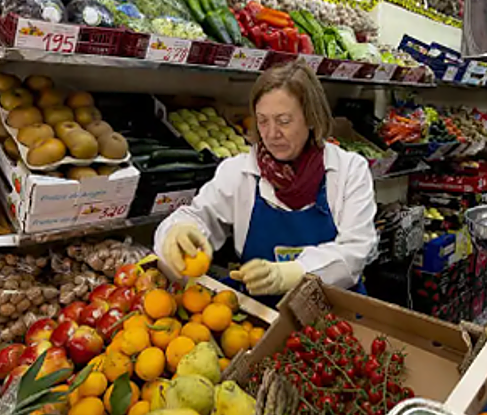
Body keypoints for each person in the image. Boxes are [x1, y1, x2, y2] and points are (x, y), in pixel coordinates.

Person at [154, 62, 377, 297]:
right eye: (262, 121)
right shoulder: (239, 172)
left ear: (312, 118)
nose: (271, 134)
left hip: (332, 313)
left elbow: (356, 249)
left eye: (283, 121)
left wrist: (293, 273)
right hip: (260, 313)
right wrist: (177, 231)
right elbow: (198, 216)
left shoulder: (348, 170)